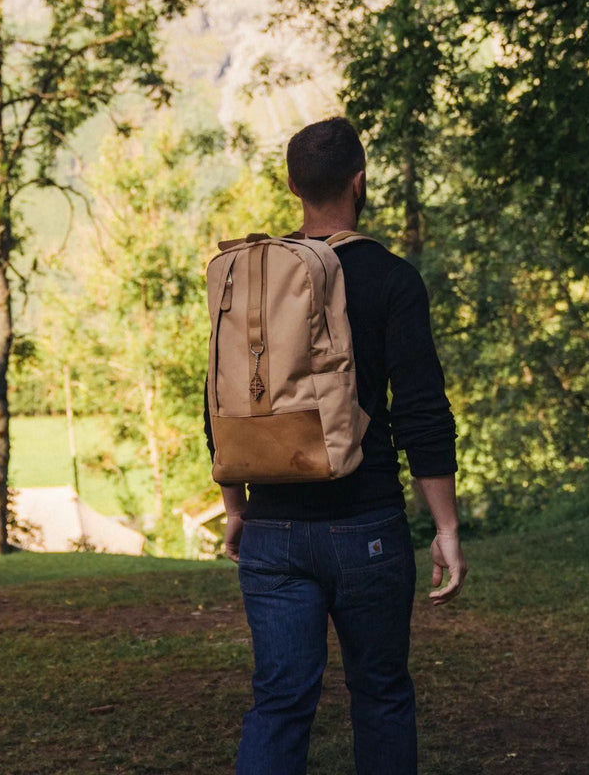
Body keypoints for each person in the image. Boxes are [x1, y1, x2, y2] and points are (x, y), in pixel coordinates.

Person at [208, 117, 466, 775]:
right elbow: (420, 412)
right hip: (367, 525)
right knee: (380, 698)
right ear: (359, 182)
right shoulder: (391, 279)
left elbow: (219, 399)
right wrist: (444, 526)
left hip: (270, 525)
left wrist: (236, 509)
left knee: (279, 706)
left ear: (293, 185)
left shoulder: (253, 276)